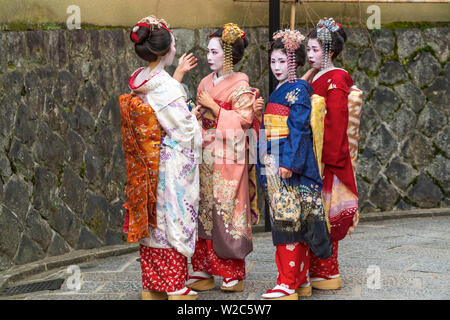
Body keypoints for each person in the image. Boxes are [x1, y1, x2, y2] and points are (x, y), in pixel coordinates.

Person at [120, 15, 202, 300]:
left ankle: (152, 284)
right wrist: (194, 117)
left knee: (153, 220)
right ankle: (174, 285)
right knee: (170, 219)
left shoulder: (141, 79)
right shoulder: (164, 86)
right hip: (168, 161)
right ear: (167, 49)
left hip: (145, 161)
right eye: (175, 43)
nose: (176, 48)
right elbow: (185, 130)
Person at [255, 29, 332, 300]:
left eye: (282, 62)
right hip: (274, 159)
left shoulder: (297, 88)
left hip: (288, 161)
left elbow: (299, 128)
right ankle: (299, 281)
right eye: (273, 62)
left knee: (288, 221)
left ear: (293, 62)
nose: (277, 67)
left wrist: (289, 162)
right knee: (289, 220)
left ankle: (287, 283)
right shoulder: (280, 89)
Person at [186, 23, 259, 293]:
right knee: (203, 210)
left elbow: (243, 121)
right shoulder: (206, 82)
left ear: (227, 55)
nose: (208, 56)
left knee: (226, 211)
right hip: (204, 155)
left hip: (227, 156)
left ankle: (232, 272)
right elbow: (200, 115)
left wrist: (214, 106)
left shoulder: (241, 85)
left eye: (214, 51)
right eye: (208, 51)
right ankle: (203, 269)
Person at [303, 18, 360, 290]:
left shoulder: (336, 78)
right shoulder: (315, 76)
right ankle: (316, 271)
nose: (310, 54)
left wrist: (324, 159)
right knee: (311, 214)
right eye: (309, 49)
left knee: (322, 214)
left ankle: (327, 272)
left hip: (324, 157)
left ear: (330, 52)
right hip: (310, 152)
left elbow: (335, 123)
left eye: (315, 50)